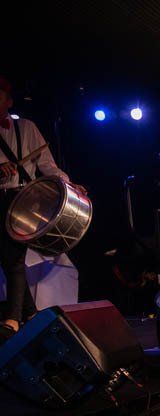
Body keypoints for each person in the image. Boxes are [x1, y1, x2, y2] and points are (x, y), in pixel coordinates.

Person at [0, 75, 84, 337]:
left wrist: (69, 185)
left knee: (13, 257)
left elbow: (47, 165)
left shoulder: (26, 127)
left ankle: (13, 319)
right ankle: (31, 314)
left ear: (9, 101)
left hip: (22, 200)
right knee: (8, 258)